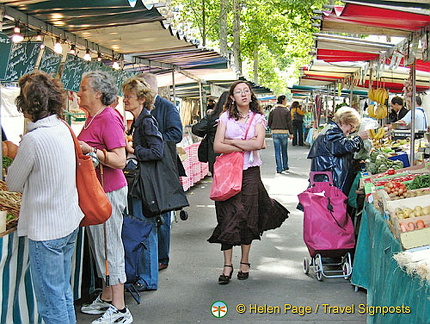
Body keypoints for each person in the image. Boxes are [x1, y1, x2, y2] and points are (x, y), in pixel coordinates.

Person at [6, 71, 84, 324]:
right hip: (69, 222)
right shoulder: (63, 128)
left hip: (47, 231)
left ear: (27, 107)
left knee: (50, 303)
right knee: (62, 294)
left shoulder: (33, 140)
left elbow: (13, 183)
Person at [208, 80, 290, 284]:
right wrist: (245, 145)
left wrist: (232, 142)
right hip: (228, 174)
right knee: (226, 216)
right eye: (238, 91)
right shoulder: (224, 117)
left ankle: (244, 261)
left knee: (248, 216)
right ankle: (227, 264)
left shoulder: (258, 118)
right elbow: (217, 145)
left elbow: (259, 143)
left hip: (250, 173)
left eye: (246, 91)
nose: (243, 94)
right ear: (232, 97)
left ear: (251, 96)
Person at [77, 71, 133, 324]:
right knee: (101, 247)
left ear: (98, 93)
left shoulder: (109, 117)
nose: (79, 93)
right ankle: (108, 296)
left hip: (108, 192)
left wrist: (93, 152)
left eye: (83, 88)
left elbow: (120, 160)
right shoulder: (92, 118)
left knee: (110, 248)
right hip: (96, 192)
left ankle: (120, 310)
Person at [122, 76, 164, 291]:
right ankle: (146, 277)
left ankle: (148, 279)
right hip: (142, 184)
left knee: (145, 228)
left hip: (145, 185)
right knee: (144, 227)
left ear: (141, 99)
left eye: (129, 96)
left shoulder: (146, 121)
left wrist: (133, 151)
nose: (125, 100)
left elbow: (158, 151)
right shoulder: (139, 122)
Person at [140, 72, 184, 272]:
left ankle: (162, 257)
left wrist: (153, 139)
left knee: (163, 214)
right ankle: (151, 256)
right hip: (148, 167)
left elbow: (177, 134)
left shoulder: (167, 107)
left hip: (164, 167)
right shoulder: (144, 110)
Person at [307, 106, 368, 195]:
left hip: (329, 181)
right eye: (351, 126)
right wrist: (358, 138)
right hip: (330, 183)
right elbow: (345, 147)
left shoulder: (333, 131)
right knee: (331, 206)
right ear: (344, 121)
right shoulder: (331, 132)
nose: (351, 130)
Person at [191, 91, 229, 173]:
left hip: (215, 155)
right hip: (234, 156)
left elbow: (196, 129)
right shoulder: (238, 118)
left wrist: (207, 133)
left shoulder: (212, 117)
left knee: (218, 182)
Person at [267, 95, 294, 173]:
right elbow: (289, 123)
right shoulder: (286, 110)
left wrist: (272, 128)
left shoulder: (272, 110)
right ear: (282, 100)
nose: (286, 101)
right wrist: (291, 133)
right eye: (285, 100)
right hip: (284, 132)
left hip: (275, 133)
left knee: (277, 151)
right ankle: (285, 166)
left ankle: (279, 168)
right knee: (284, 150)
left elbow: (269, 122)